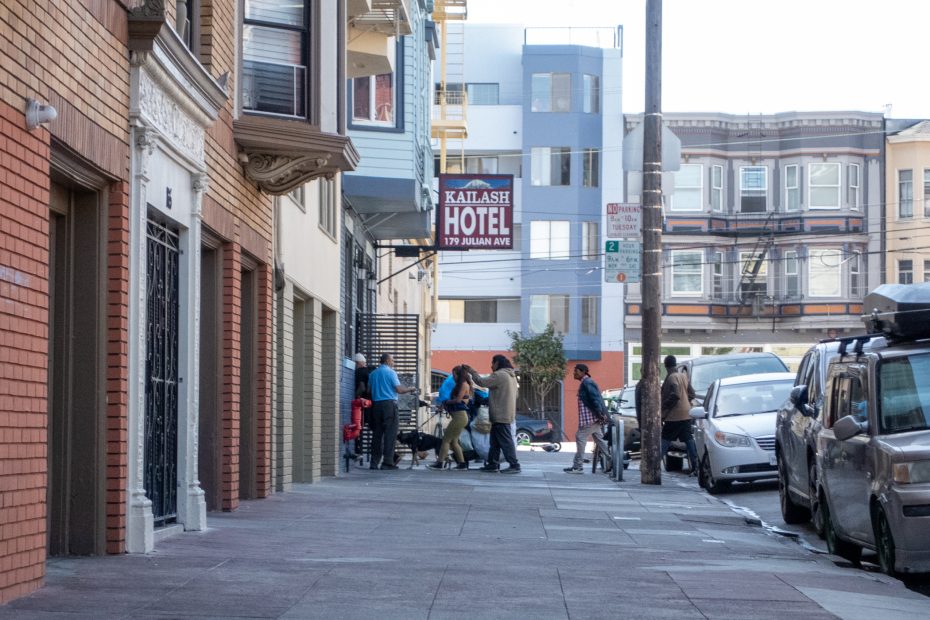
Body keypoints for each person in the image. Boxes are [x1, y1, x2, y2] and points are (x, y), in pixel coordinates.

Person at [465, 355, 520, 474]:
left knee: (506, 441)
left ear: (497, 363)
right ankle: (492, 463)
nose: (491, 366)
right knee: (494, 441)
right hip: (506, 413)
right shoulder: (511, 376)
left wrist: (471, 371)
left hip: (500, 414)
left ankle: (514, 464)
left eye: (492, 363)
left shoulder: (500, 375)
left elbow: (481, 382)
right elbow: (515, 395)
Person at [368, 353, 418, 470]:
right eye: (392, 360)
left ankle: (374, 462)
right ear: (387, 361)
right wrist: (410, 388)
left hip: (376, 406)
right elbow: (399, 389)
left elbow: (368, 389)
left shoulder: (373, 374)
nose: (393, 363)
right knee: (390, 434)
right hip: (389, 405)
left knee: (377, 435)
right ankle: (387, 462)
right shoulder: (391, 373)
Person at [564, 364, 610, 474]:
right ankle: (612, 460)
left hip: (590, 419)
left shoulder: (587, 382)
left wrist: (599, 413)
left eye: (576, 371)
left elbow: (595, 399)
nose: (574, 373)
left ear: (583, 372)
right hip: (593, 418)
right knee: (600, 440)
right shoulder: (586, 383)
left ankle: (578, 466)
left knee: (580, 437)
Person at [660, 355, 698, 474]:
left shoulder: (672, 377)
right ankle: (696, 466)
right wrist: (685, 401)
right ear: (675, 364)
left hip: (673, 416)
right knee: (688, 440)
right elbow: (692, 393)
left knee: (664, 440)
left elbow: (675, 395)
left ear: (666, 366)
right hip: (687, 414)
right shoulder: (683, 376)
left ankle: (655, 465)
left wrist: (664, 406)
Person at [428, 366, 470, 471]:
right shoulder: (459, 385)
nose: (453, 376)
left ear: (459, 374)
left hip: (459, 417)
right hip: (458, 417)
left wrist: (445, 402)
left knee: (446, 440)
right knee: (454, 441)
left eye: (454, 374)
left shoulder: (464, 384)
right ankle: (462, 464)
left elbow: (458, 400)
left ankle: (440, 463)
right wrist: (443, 405)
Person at [352, 353, 371, 459]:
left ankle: (358, 451)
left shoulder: (360, 371)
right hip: (371, 402)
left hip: (362, 403)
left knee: (358, 425)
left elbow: (362, 387)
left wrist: (356, 396)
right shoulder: (369, 371)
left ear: (357, 363)